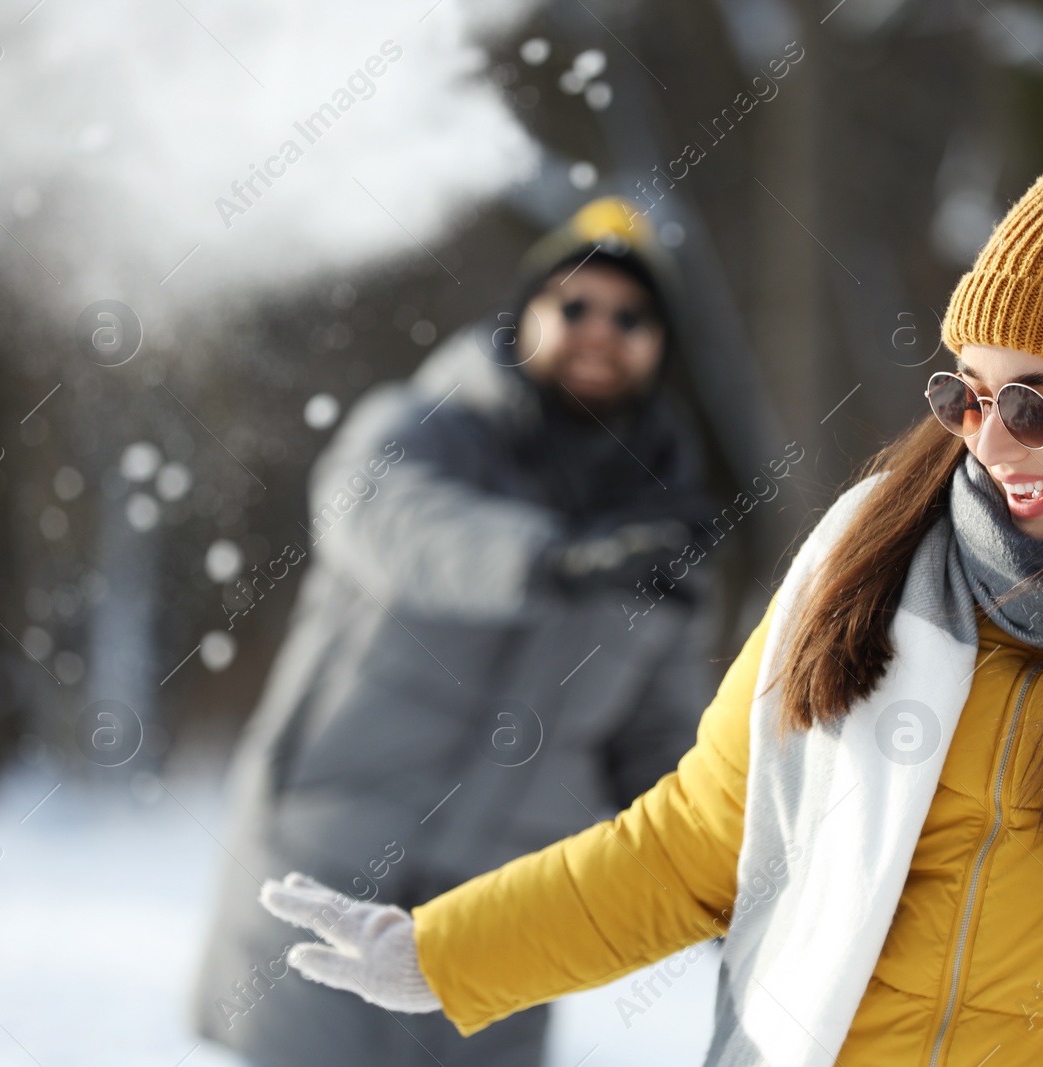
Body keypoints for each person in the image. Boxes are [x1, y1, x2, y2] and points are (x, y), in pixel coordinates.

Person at [256, 132, 1043, 1065]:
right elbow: (692, 847)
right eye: (968, 394)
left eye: (1040, 401)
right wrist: (444, 951)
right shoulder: (863, 568)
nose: (992, 440)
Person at [192, 197, 725, 1067]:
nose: (599, 329)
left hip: (494, 918)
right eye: (575, 305)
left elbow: (655, 752)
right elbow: (385, 523)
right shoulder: (425, 429)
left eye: (630, 316)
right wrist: (552, 561)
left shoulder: (666, 539)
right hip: (328, 861)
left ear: (658, 347)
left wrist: (721, 890)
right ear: (526, 316)